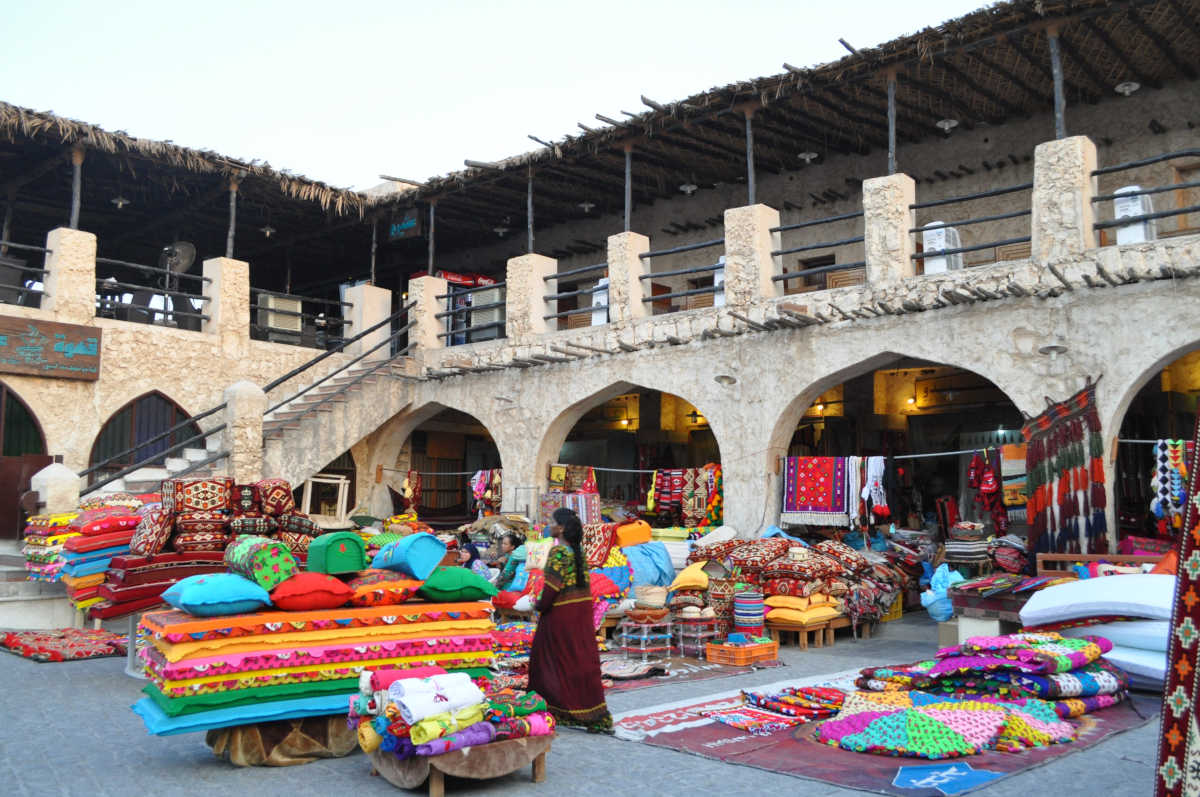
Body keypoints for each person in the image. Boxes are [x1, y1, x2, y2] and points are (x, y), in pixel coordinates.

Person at [528, 507, 612, 733]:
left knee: (547, 662)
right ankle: (594, 713)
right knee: (580, 661)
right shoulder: (578, 552)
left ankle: (551, 707)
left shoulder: (559, 553)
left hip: (559, 617)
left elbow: (552, 587)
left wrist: (538, 605)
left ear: (561, 528)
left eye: (553, 521)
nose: (549, 524)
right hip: (580, 616)